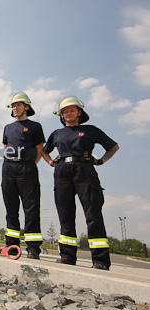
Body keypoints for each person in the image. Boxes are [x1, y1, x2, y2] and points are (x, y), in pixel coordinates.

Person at [43, 96, 119, 271]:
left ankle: (100, 260)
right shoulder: (56, 134)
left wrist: (100, 161)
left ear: (79, 112)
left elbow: (113, 147)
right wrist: (50, 162)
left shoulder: (91, 130)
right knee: (65, 214)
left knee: (93, 213)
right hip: (62, 172)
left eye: (72, 110)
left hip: (85, 170)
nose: (68, 114)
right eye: (65, 111)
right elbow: (44, 151)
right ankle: (67, 256)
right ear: (61, 115)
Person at [1, 92, 45, 259]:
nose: (15, 108)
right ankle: (12, 246)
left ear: (26, 107)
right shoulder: (8, 128)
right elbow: (6, 146)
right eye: (13, 105)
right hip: (9, 168)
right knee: (11, 208)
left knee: (31, 207)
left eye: (18, 105)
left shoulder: (35, 126)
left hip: (27, 167)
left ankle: (33, 248)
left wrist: (31, 165)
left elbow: (40, 149)